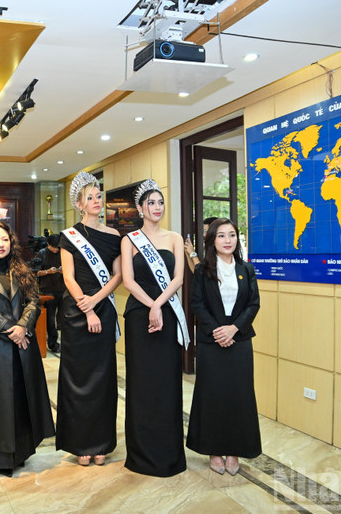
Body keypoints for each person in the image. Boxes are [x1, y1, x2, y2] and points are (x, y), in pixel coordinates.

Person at [0, 221, 55, 477]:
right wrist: (11, 329)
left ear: (11, 242)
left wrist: (23, 326)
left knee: (22, 397)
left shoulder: (22, 268)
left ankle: (22, 452)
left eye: (4, 239)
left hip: (22, 344)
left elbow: (33, 301)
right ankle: (0, 457)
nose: (0, 244)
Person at [120, 179, 189, 477]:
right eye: (151, 203)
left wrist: (159, 305)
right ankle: (141, 454)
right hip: (139, 316)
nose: (157, 207)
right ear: (140, 208)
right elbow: (128, 280)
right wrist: (151, 306)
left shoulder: (174, 238)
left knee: (166, 382)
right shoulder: (130, 240)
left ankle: (169, 454)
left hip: (167, 312)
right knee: (142, 382)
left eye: (160, 202)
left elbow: (178, 279)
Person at [186, 217, 262, 476]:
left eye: (232, 235)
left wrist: (234, 328)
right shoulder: (202, 270)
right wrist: (217, 330)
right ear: (212, 240)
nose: (228, 240)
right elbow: (197, 304)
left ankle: (234, 451)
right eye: (221, 236)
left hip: (239, 341)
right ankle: (214, 450)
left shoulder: (246, 269)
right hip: (211, 341)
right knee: (213, 396)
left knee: (239, 397)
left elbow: (253, 304)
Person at [57, 171, 122, 467]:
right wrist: (88, 308)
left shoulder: (114, 236)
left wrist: (97, 302)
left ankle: (102, 444)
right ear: (79, 204)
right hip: (76, 313)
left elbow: (119, 274)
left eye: (99, 197)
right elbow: (68, 277)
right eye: (90, 198)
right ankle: (81, 443)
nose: (96, 201)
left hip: (104, 308)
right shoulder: (69, 236)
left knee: (104, 378)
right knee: (78, 379)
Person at [32, 234, 65, 353]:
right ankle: (53, 344)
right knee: (50, 319)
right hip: (47, 290)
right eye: (54, 247)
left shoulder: (63, 252)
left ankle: (66, 343)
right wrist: (48, 271)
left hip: (63, 288)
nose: (56, 249)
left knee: (64, 318)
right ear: (48, 244)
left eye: (58, 247)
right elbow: (35, 272)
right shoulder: (42, 253)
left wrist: (64, 271)